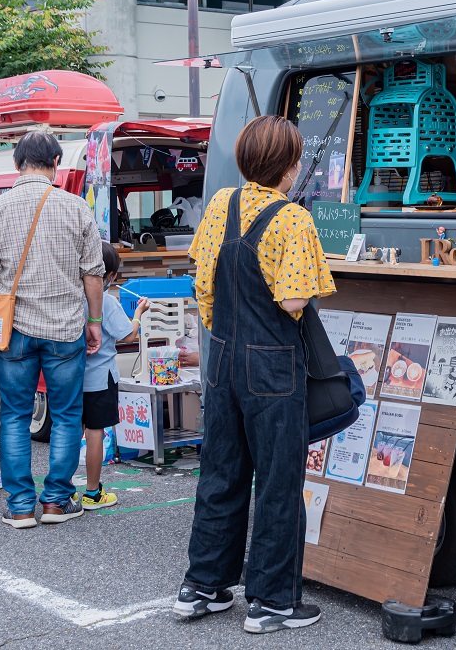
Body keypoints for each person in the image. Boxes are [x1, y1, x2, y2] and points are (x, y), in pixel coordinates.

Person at [176, 115, 336, 634]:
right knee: (277, 480)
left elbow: (202, 284)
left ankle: (203, 586)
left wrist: (221, 332)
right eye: (295, 161)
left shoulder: (220, 205)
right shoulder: (292, 220)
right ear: (288, 168)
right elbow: (293, 298)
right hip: (272, 364)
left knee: (219, 472)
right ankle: (271, 603)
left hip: (221, 358)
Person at [0, 131, 104, 530]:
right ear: (55, 164)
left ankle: (22, 505)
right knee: (65, 415)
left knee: (13, 415)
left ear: (17, 164)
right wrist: (94, 322)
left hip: (13, 330)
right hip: (64, 327)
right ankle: (57, 503)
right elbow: (93, 274)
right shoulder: (77, 208)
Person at [79, 243, 151, 510]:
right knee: (96, 431)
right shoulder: (106, 301)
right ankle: (92, 492)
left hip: (71, 377)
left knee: (70, 429)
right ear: (108, 276)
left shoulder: (72, 297)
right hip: (100, 378)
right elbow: (127, 335)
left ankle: (61, 492)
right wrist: (138, 314)